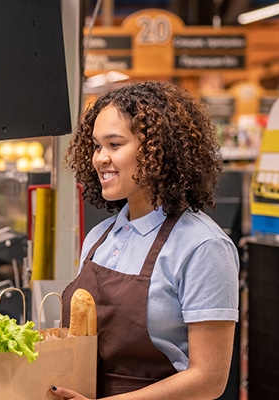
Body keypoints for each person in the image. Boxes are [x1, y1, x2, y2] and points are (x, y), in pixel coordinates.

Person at [53, 81, 239, 399]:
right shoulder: (98, 238)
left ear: (157, 149)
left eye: (114, 144)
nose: (100, 158)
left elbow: (209, 378)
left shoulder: (203, 247)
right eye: (96, 146)